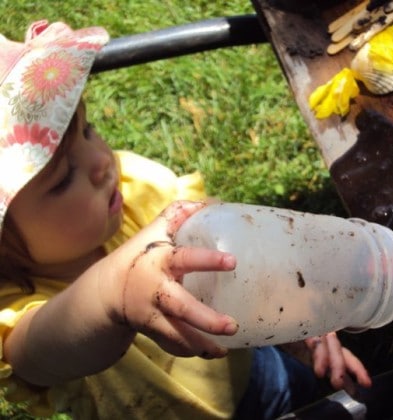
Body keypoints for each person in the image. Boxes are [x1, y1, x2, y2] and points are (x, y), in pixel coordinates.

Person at [0, 20, 372, 419]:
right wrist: (114, 295)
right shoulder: (17, 311)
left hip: (246, 365)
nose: (100, 162)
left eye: (87, 131)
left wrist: (294, 307)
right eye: (62, 180)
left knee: (289, 387)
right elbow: (42, 350)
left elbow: (226, 237)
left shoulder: (132, 188)